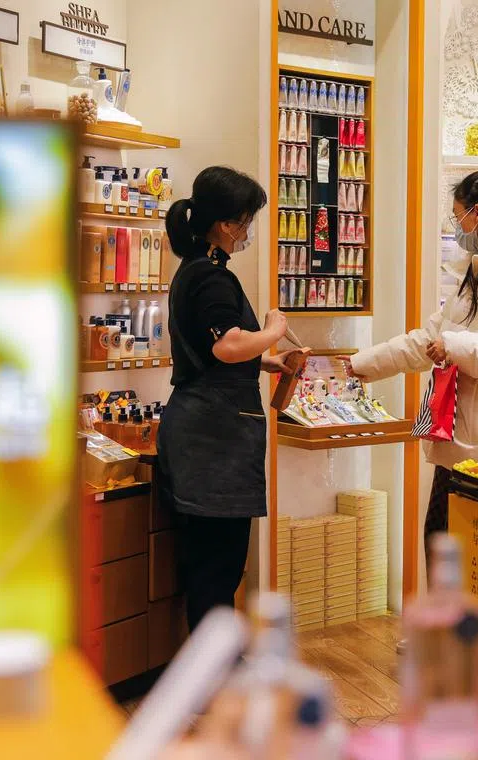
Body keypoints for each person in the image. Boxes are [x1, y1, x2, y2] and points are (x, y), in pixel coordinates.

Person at [346, 154, 478, 561]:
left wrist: (456, 346)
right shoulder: (475, 275)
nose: (456, 227)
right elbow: (428, 340)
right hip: (459, 451)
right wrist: (359, 365)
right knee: (441, 552)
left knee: (477, 570)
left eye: (458, 216)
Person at [157, 166, 306, 632]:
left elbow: (212, 350)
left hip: (206, 431)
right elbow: (226, 343)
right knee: (216, 566)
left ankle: (214, 667)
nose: (248, 232)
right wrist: (274, 332)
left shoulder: (198, 270)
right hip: (212, 438)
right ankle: (213, 677)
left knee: (214, 563)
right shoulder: (211, 277)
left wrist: (264, 361)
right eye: (246, 220)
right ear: (227, 224)